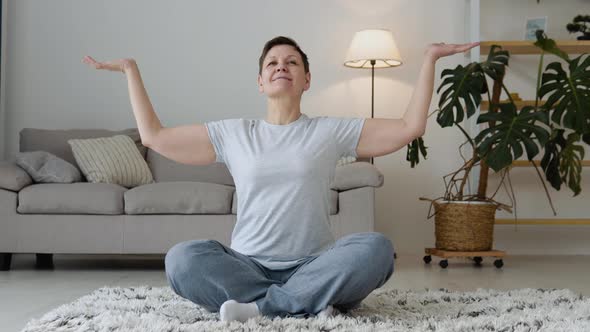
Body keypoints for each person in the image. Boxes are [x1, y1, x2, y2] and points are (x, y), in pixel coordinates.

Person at [83, 36, 478, 322]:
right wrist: (130, 71)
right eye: (272, 62)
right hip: (246, 265)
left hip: (314, 263)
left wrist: (429, 59)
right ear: (260, 82)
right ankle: (303, 302)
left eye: (292, 62)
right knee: (182, 259)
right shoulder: (234, 133)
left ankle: (261, 307)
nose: (281, 67)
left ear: (307, 80)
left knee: (375, 248)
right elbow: (154, 137)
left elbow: (410, 127)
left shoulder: (329, 131)